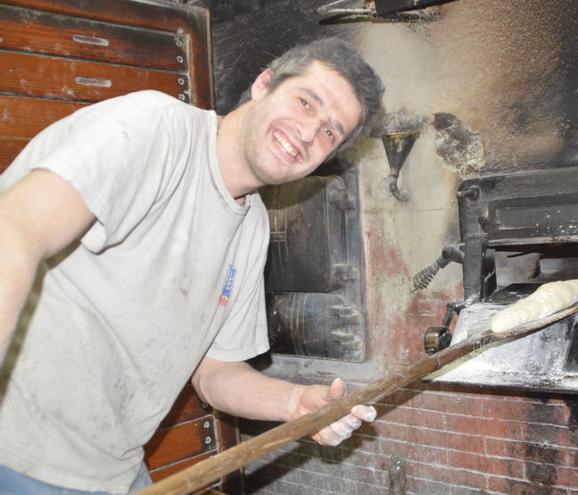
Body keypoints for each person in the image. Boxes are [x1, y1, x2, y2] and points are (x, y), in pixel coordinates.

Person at [0, 37, 384, 494]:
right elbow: (15, 230)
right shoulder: (155, 129)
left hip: (111, 472)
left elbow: (215, 373)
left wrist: (297, 402)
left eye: (329, 132)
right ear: (264, 84)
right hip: (17, 452)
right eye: (305, 102)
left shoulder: (252, 225)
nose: (307, 133)